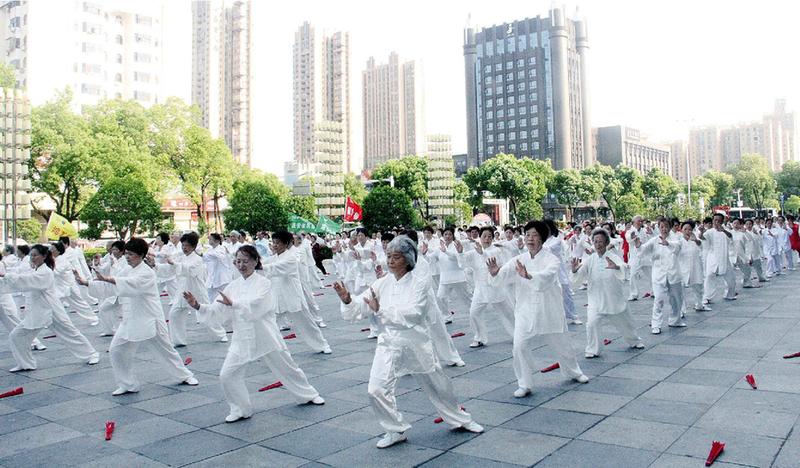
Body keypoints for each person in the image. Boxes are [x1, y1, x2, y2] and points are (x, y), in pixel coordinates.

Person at [334, 236, 484, 449]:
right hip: (388, 344)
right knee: (375, 389)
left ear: (408, 259)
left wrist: (381, 311)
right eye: (389, 256)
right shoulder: (382, 282)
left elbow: (414, 313)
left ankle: (461, 420)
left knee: (439, 387)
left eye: (396, 257)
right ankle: (395, 429)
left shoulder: (420, 283)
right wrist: (348, 299)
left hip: (416, 343)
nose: (391, 261)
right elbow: (363, 304)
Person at [184, 245, 324, 423]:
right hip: (242, 338)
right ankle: (240, 408)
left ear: (256, 261)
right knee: (227, 375)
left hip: (265, 335)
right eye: (238, 261)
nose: (241, 265)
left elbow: (258, 305)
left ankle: (309, 394)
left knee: (287, 367)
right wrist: (198, 306)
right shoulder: (232, 286)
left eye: (245, 261)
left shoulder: (264, 283)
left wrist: (234, 304)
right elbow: (217, 309)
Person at [487, 220, 589, 398]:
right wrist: (496, 272)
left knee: (562, 345)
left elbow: (548, 277)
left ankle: (574, 371)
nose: (530, 238)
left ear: (542, 238)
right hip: (526, 311)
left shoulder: (552, 259)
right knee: (519, 346)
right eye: (527, 235)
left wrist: (529, 275)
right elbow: (502, 277)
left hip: (549, 309)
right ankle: (524, 383)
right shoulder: (518, 259)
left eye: (534, 235)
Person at [86, 238, 198, 396]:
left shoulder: (147, 272)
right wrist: (87, 283)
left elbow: (131, 285)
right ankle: (127, 384)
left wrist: (110, 279)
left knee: (165, 351)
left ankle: (185, 375)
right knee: (116, 350)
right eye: (126, 254)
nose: (127, 257)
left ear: (141, 255)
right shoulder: (127, 270)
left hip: (150, 318)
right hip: (130, 319)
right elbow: (114, 286)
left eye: (131, 254)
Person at [3, 244, 100, 371]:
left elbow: (27, 280)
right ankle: (26, 364)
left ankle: (92, 354)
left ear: (43, 256)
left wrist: (6, 276)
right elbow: (23, 277)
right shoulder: (36, 270)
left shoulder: (46, 272)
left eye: (35, 255)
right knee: (16, 336)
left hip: (52, 310)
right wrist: (6, 277)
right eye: (31, 255)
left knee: (70, 332)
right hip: (38, 312)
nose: (32, 258)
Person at [571, 228, 644, 358]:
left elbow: (623, 267)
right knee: (592, 323)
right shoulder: (590, 259)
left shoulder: (612, 256)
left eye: (601, 242)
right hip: (596, 299)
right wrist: (575, 271)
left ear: (606, 243)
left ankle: (635, 340)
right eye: (595, 241)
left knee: (624, 322)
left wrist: (616, 267)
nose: (598, 244)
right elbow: (580, 274)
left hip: (613, 298)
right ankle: (592, 349)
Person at [262, 231, 332, 354]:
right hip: (277, 297)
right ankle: (267, 349)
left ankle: (322, 344)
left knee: (307, 323)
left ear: (286, 243)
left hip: (293, 296)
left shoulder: (291, 257)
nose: (274, 245)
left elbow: (275, 268)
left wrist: (257, 266)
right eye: (273, 242)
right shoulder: (274, 257)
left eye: (277, 243)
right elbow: (265, 264)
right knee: (267, 322)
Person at [164, 232, 228, 346]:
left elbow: (189, 271)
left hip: (196, 291)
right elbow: (171, 269)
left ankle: (221, 334)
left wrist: (174, 263)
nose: (184, 248)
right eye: (183, 245)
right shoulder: (181, 257)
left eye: (187, 246)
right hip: (183, 291)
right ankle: (179, 341)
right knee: (174, 314)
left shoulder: (197, 259)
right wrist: (155, 265)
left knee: (206, 314)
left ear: (193, 247)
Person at [456, 226, 515, 348]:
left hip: (496, 287)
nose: (487, 239)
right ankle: (479, 338)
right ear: (480, 237)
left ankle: (517, 334)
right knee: (474, 313)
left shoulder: (496, 251)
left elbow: (496, 262)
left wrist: (483, 253)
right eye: (484, 236)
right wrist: (461, 252)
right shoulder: (474, 252)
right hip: (481, 288)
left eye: (489, 236)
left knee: (507, 313)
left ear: (493, 238)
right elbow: (463, 264)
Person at [640, 218, 685, 334]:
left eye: (666, 226)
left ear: (670, 227)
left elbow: (678, 247)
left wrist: (668, 243)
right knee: (659, 299)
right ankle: (656, 324)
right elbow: (643, 249)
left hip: (673, 273)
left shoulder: (676, 238)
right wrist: (637, 244)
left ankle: (675, 320)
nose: (664, 229)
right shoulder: (654, 240)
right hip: (659, 275)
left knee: (676, 299)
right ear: (659, 228)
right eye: (662, 227)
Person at [544, 219, 583, 325]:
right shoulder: (542, 240)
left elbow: (548, 249)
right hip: (546, 271)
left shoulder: (556, 239)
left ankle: (573, 316)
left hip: (559, 271)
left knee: (566, 293)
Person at [50, 241, 99, 326]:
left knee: (79, 303)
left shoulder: (62, 259)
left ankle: (93, 318)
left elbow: (56, 272)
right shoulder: (54, 260)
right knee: (52, 303)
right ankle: (53, 321)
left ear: (58, 251)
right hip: (60, 287)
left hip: (69, 286)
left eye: (52, 249)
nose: (50, 250)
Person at [700, 213, 737, 303]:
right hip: (713, 258)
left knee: (730, 278)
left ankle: (729, 294)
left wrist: (723, 231)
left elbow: (731, 237)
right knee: (709, 276)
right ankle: (707, 297)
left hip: (724, 258)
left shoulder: (727, 230)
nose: (716, 222)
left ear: (722, 221)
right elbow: (702, 238)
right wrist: (701, 231)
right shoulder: (710, 232)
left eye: (719, 220)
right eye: (715, 220)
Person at [678, 221, 711, 312]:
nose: (687, 231)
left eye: (689, 229)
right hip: (683, 268)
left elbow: (701, 246)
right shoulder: (679, 242)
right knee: (681, 290)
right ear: (681, 230)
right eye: (685, 229)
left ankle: (699, 305)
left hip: (695, 268)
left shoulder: (696, 241)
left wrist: (695, 240)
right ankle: (681, 310)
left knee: (698, 288)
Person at [626, 216, 653, 301]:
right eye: (638, 221)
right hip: (635, 257)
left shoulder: (645, 230)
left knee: (651, 274)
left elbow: (651, 240)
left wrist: (651, 233)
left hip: (645, 256)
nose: (640, 222)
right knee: (633, 275)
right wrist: (632, 237)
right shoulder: (630, 231)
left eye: (641, 221)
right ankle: (634, 294)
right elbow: (628, 239)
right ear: (633, 222)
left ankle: (654, 291)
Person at [204, 233, 234, 302]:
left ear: (217, 241)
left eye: (211, 239)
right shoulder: (209, 250)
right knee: (211, 300)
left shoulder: (222, 248)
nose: (209, 240)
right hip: (212, 279)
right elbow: (204, 258)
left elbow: (220, 256)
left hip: (222, 279)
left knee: (224, 299)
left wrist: (208, 254)